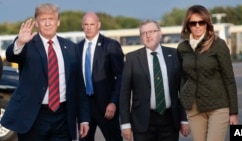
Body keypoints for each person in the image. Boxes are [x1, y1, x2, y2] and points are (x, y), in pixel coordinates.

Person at [1, 3, 90, 141]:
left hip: (63, 117)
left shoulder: (71, 48)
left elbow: (79, 85)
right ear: (37, 23)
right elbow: (13, 55)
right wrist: (19, 42)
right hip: (33, 116)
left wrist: (84, 119)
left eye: (51, 19)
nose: (48, 23)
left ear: (58, 22)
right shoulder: (27, 44)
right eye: (43, 19)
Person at [119, 19, 190, 141]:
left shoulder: (174, 55)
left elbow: (182, 90)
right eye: (144, 33)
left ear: (160, 34)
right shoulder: (132, 59)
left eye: (152, 31)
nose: (148, 35)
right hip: (142, 122)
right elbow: (124, 94)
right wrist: (125, 123)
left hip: (170, 120)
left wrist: (184, 119)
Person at [177, 5, 239, 141]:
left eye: (202, 22)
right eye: (193, 23)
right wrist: (184, 98)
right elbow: (183, 77)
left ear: (207, 23)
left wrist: (234, 113)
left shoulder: (218, 45)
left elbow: (229, 79)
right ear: (188, 25)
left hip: (218, 106)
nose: (198, 26)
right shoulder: (182, 48)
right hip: (193, 108)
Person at [77, 12, 124, 141]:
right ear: (82, 26)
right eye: (86, 24)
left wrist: (113, 102)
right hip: (85, 108)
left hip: (106, 107)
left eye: (92, 24)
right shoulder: (77, 48)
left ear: (99, 25)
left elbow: (121, 76)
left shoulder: (111, 45)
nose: (89, 27)